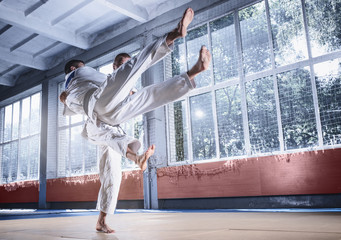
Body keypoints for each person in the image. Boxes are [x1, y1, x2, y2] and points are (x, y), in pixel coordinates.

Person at [60, 7, 211, 233]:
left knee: (147, 97)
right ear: (74, 69)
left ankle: (135, 157)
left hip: (110, 117)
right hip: (97, 111)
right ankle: (173, 36)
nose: (84, 68)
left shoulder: (76, 90)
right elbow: (119, 74)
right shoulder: (80, 74)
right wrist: (66, 96)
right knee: (135, 73)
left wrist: (65, 99)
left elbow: (70, 102)